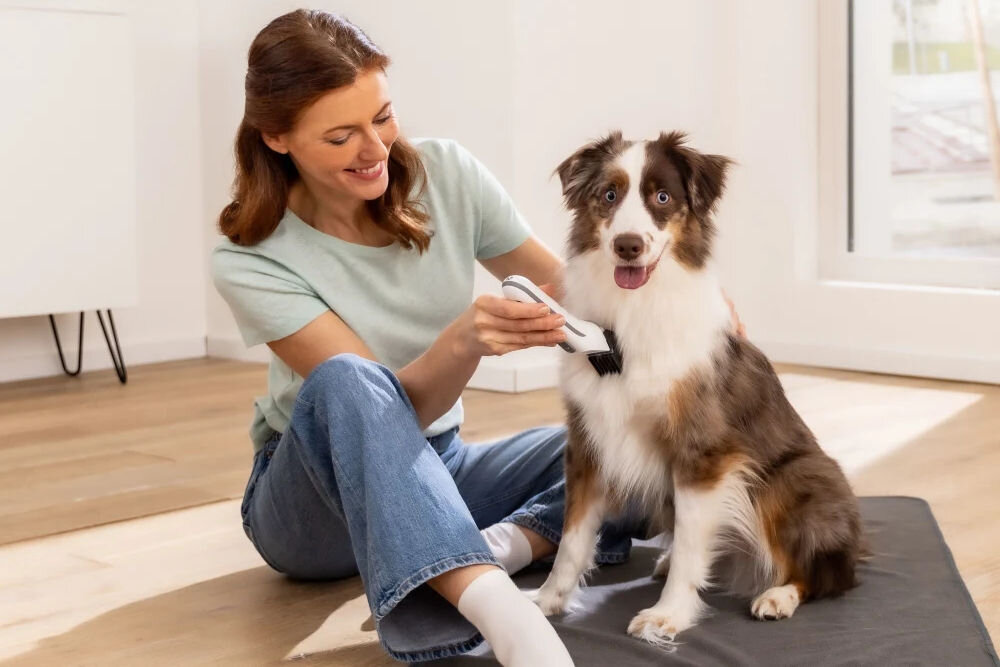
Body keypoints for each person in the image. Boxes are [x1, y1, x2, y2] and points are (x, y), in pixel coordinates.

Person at [211, 9, 742, 665]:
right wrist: (465, 343)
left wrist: (697, 311)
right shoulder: (250, 258)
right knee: (349, 380)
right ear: (279, 138)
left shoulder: (447, 175)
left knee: (634, 450)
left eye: (381, 117)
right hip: (315, 510)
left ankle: (505, 543)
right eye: (342, 135)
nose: (374, 148)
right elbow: (379, 412)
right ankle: (501, 614)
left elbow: (575, 289)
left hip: (440, 466)